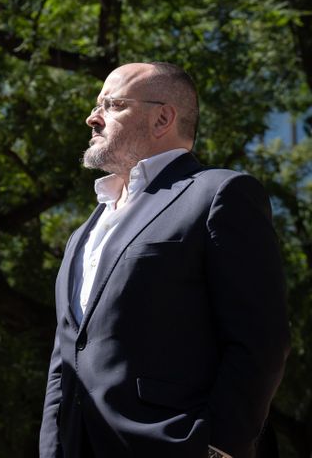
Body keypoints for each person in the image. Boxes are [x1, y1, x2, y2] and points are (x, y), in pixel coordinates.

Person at [39, 62, 290, 458]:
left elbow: (260, 340)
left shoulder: (219, 194)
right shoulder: (84, 231)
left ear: (162, 118)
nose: (92, 117)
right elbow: (65, 356)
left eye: (112, 104)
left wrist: (218, 447)